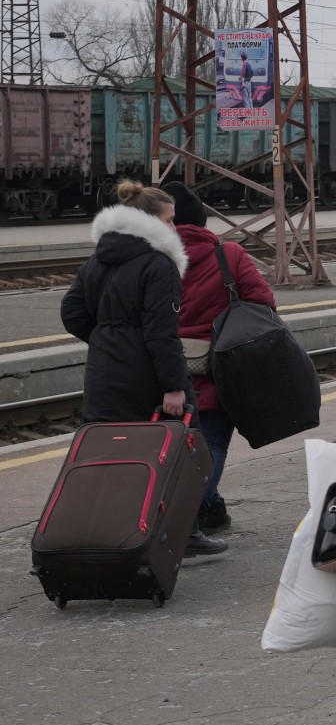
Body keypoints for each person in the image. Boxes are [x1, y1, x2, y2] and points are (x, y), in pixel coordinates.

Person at [60, 179, 225, 556]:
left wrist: (108, 343)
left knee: (110, 460)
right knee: (183, 453)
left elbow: (71, 314)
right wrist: (173, 387)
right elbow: (161, 332)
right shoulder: (159, 262)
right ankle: (184, 535)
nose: (173, 228)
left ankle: (106, 532)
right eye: (168, 220)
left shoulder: (98, 258)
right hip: (148, 378)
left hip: (103, 377)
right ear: (150, 221)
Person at [164, 181, 277, 534]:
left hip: (162, 367)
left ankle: (209, 508)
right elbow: (264, 305)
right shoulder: (228, 255)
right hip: (217, 368)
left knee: (167, 447)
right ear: (202, 222)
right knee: (210, 443)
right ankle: (193, 516)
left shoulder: (152, 257)